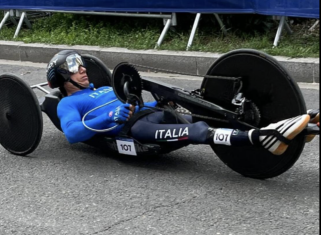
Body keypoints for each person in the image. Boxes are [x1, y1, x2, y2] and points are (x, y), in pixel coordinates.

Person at [46, 50, 319, 155]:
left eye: (81, 63)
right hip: (136, 131)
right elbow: (71, 133)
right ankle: (262, 138)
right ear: (60, 78)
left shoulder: (105, 87)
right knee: (199, 131)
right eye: (72, 66)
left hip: (151, 114)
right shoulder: (67, 104)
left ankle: (297, 127)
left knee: (209, 116)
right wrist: (110, 117)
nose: (81, 68)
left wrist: (159, 102)